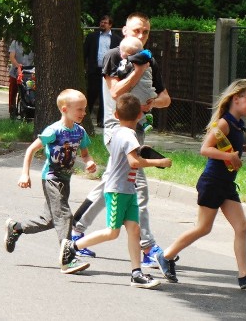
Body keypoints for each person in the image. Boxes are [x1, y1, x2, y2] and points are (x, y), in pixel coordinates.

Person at [71, 12, 171, 265]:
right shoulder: (114, 56)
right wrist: (137, 71)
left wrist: (152, 102)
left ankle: (75, 231)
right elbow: (115, 92)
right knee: (138, 188)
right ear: (124, 30)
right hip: (117, 131)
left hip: (137, 133)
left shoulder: (150, 61)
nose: (141, 35)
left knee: (111, 185)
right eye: (137, 30)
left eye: (146, 32)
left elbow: (166, 99)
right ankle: (148, 248)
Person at [156, 79, 246, 290]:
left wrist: (245, 148)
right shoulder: (224, 123)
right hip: (213, 182)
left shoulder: (237, 124)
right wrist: (233, 157)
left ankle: (244, 275)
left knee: (242, 226)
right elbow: (205, 149)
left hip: (226, 183)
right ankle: (165, 255)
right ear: (236, 98)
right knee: (203, 228)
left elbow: (227, 148)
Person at [63, 93, 171, 289]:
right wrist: (160, 162)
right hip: (117, 191)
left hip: (128, 190)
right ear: (140, 115)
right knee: (112, 232)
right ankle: (72, 246)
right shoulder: (129, 135)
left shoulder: (117, 133)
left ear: (115, 113)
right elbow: (134, 162)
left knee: (134, 230)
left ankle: (136, 273)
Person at [4, 89, 97, 274]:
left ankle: (16, 228)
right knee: (64, 215)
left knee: (49, 220)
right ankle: (68, 258)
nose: (83, 113)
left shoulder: (80, 132)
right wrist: (25, 174)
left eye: (84, 109)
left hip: (65, 180)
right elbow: (31, 150)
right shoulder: (53, 131)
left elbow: (85, 154)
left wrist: (90, 163)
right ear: (64, 109)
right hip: (52, 178)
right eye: (79, 109)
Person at [83, 15, 121, 127]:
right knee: (91, 93)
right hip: (94, 70)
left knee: (105, 96)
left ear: (110, 25)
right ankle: (85, 118)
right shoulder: (92, 37)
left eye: (105, 22)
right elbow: (84, 53)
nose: (102, 24)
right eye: (101, 22)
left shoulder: (117, 39)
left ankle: (101, 120)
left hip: (109, 71)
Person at [8, 39, 34, 119]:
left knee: (30, 91)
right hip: (15, 71)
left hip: (28, 73)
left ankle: (28, 110)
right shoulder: (15, 42)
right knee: (13, 91)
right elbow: (12, 57)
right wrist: (18, 66)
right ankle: (12, 110)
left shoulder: (33, 43)